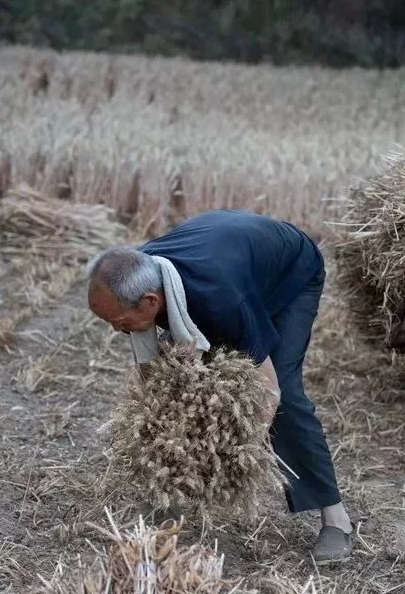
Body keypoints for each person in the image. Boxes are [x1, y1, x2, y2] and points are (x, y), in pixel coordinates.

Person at [86, 209, 355, 564]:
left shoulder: (221, 300)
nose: (116, 331)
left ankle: (337, 520)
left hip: (291, 275)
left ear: (151, 302)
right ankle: (173, 498)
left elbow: (269, 390)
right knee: (181, 375)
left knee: (286, 395)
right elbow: (154, 375)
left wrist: (236, 450)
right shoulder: (141, 270)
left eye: (119, 322)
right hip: (236, 262)